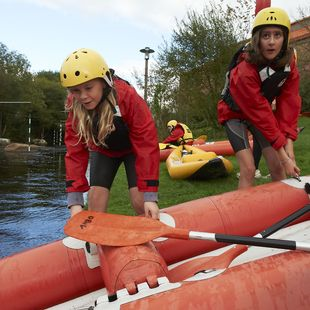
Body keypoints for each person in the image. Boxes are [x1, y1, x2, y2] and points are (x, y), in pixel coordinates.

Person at [60, 48, 160, 219]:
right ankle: (95, 242)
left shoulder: (126, 95)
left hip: (133, 150)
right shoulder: (74, 105)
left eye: (89, 88)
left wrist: (150, 196)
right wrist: (75, 201)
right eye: (76, 90)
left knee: (139, 200)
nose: (83, 96)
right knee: (95, 202)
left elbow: (146, 142)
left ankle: (151, 234)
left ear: (104, 81)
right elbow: (75, 152)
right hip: (103, 150)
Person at [217, 7, 301, 189]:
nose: (271, 42)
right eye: (266, 36)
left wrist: (289, 152)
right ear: (258, 40)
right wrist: (285, 157)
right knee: (248, 168)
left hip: (258, 114)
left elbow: (290, 104)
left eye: (277, 35)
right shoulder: (245, 71)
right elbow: (260, 111)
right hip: (234, 115)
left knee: (277, 166)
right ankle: (241, 213)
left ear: (285, 38)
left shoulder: (290, 65)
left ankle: (282, 211)